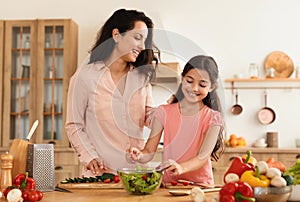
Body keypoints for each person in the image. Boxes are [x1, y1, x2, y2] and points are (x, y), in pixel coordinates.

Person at [65, 8, 160, 177]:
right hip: (101, 175)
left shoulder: (141, 78)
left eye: (145, 41)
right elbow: (74, 125)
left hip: (135, 174)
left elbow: (149, 117)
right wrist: (89, 156)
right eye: (137, 38)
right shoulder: (85, 77)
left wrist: (167, 112)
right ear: (116, 35)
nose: (142, 46)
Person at [127, 55, 225, 185]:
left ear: (211, 87)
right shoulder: (163, 112)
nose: (194, 88)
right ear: (182, 79)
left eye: (202, 84)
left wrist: (181, 167)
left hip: (200, 186)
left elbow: (202, 157)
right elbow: (149, 151)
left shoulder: (213, 118)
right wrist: (139, 155)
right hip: (169, 185)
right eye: (189, 81)